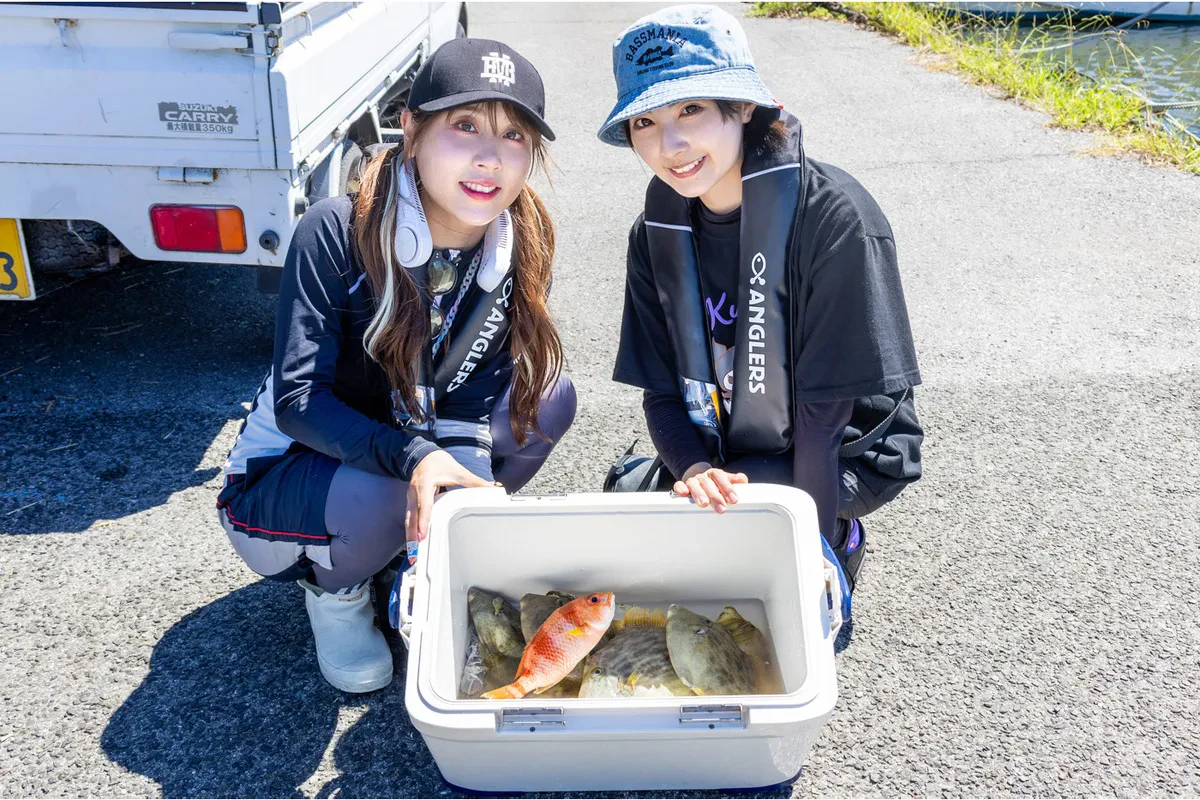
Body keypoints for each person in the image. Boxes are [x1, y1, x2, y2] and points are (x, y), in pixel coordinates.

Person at [216, 38, 575, 693]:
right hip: (281, 476)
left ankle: (414, 554)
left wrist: (462, 510)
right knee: (387, 487)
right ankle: (336, 591)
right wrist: (417, 461)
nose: (489, 157)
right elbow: (300, 403)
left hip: (398, 443)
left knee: (548, 397)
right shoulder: (334, 229)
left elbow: (469, 403)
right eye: (464, 126)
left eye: (514, 135)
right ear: (410, 130)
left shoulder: (510, 249)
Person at [599, 5, 923, 601]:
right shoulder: (655, 233)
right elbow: (664, 393)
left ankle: (843, 537)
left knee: (742, 579)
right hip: (728, 437)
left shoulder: (836, 219)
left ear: (744, 107)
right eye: (645, 121)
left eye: (691, 109)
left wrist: (811, 553)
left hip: (843, 446)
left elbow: (823, 421)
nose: (670, 144)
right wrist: (694, 472)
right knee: (641, 560)